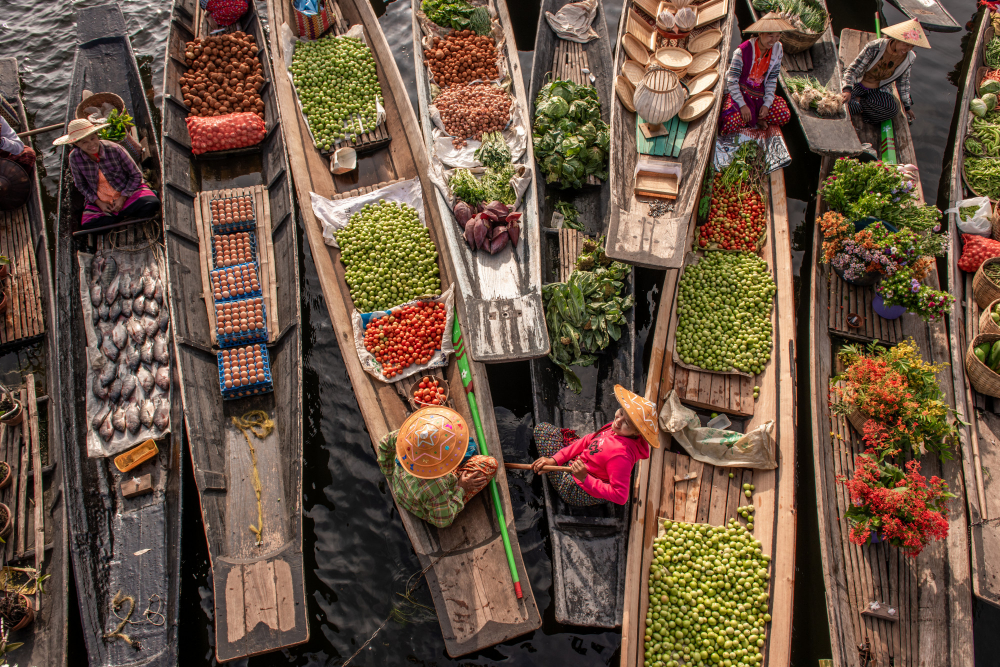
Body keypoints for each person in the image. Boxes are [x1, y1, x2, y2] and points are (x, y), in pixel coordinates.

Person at [530, 385, 659, 506]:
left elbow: (620, 496)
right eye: (621, 413)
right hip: (584, 464)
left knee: (541, 430)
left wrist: (585, 477)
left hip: (577, 488)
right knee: (547, 431)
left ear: (637, 432)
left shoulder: (621, 456)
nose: (618, 421)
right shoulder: (615, 428)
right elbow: (587, 440)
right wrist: (555, 460)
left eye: (627, 423)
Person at [376, 405, 498, 529]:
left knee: (466, 445)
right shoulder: (436, 484)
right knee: (490, 464)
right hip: (427, 501)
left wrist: (390, 474)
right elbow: (443, 521)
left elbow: (384, 443)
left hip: (402, 485)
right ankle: (458, 484)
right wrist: (461, 488)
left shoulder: (408, 436)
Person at [53, 118, 160, 228]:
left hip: (126, 192)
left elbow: (136, 175)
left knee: (152, 203)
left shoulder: (114, 149)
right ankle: (122, 215)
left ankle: (117, 216)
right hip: (101, 199)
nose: (91, 144)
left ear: (97, 135)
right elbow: (81, 185)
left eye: (92, 138)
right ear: (76, 143)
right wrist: (99, 202)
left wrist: (122, 197)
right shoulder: (74, 157)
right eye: (84, 142)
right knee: (88, 225)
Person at [841, 19, 930, 126]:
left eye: (911, 46)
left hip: (878, 89)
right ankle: (860, 106)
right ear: (896, 39)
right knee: (840, 102)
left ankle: (858, 103)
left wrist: (907, 106)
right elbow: (853, 70)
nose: (907, 49)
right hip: (858, 84)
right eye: (905, 44)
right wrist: (847, 90)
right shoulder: (874, 47)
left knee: (891, 110)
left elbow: (903, 82)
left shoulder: (909, 58)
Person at [718, 12, 794, 136]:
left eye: (777, 36)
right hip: (740, 91)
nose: (773, 40)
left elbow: (772, 79)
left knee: (784, 114)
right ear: (760, 33)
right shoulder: (742, 51)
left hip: (759, 93)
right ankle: (751, 117)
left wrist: (767, 103)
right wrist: (742, 105)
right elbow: (732, 81)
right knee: (729, 121)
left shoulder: (778, 48)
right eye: (770, 36)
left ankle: (756, 117)